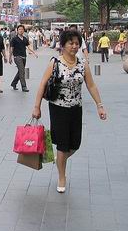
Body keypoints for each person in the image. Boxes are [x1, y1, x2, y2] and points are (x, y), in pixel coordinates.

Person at [31, 29, 107, 193]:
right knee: (63, 144)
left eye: (77, 43)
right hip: (58, 109)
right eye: (71, 43)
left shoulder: (82, 64)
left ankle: (59, 159)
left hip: (76, 108)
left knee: (75, 144)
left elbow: (91, 85)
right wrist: (37, 107)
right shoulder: (55, 62)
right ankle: (62, 176)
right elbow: (42, 84)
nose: (74, 46)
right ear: (63, 45)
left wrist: (99, 105)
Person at [10, 24, 38, 92]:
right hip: (17, 57)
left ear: (24, 30)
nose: (21, 30)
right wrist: (10, 57)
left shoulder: (25, 39)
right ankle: (24, 86)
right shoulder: (14, 39)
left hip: (24, 57)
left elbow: (28, 47)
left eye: (22, 29)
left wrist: (34, 53)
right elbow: (11, 48)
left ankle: (13, 83)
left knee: (20, 71)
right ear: (17, 30)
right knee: (22, 71)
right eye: (19, 29)